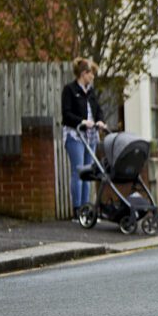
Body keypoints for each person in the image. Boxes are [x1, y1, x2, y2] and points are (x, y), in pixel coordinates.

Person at [61, 57, 108, 218]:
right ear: (83, 73)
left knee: (89, 172)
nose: (93, 77)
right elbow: (66, 115)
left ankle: (86, 210)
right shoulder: (70, 90)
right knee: (78, 171)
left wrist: (100, 121)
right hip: (75, 135)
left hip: (90, 136)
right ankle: (77, 209)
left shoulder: (91, 92)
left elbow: (98, 110)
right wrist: (82, 122)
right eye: (91, 74)